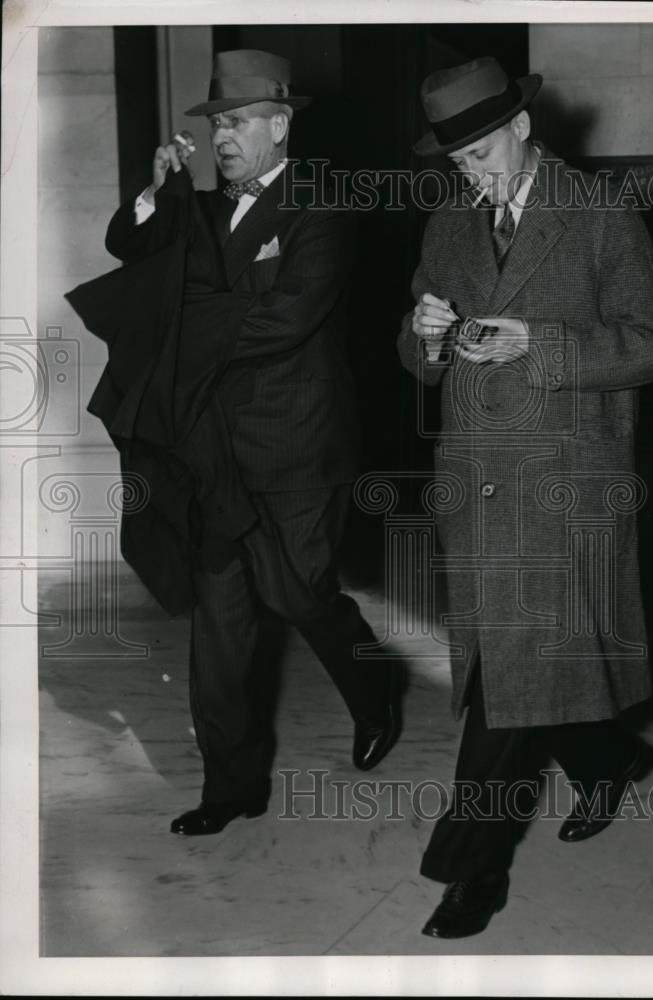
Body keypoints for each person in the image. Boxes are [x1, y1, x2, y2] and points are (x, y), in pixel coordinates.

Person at [398, 56, 653, 938]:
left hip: (566, 485)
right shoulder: (449, 219)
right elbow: (414, 353)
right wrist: (424, 335)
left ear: (522, 125)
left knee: (499, 693)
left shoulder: (599, 214)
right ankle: (610, 755)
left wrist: (542, 345)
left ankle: (468, 871)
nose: (471, 173)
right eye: (458, 161)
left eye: (481, 151)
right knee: (530, 677)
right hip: (477, 485)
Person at [100, 49, 401, 836]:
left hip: (296, 448)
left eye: (234, 123)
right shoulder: (200, 208)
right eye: (213, 126)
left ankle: (375, 693)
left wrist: (182, 343)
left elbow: (291, 315)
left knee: (299, 594)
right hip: (211, 452)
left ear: (279, 124)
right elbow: (130, 255)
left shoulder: (320, 205)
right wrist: (157, 190)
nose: (221, 138)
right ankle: (230, 787)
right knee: (220, 616)